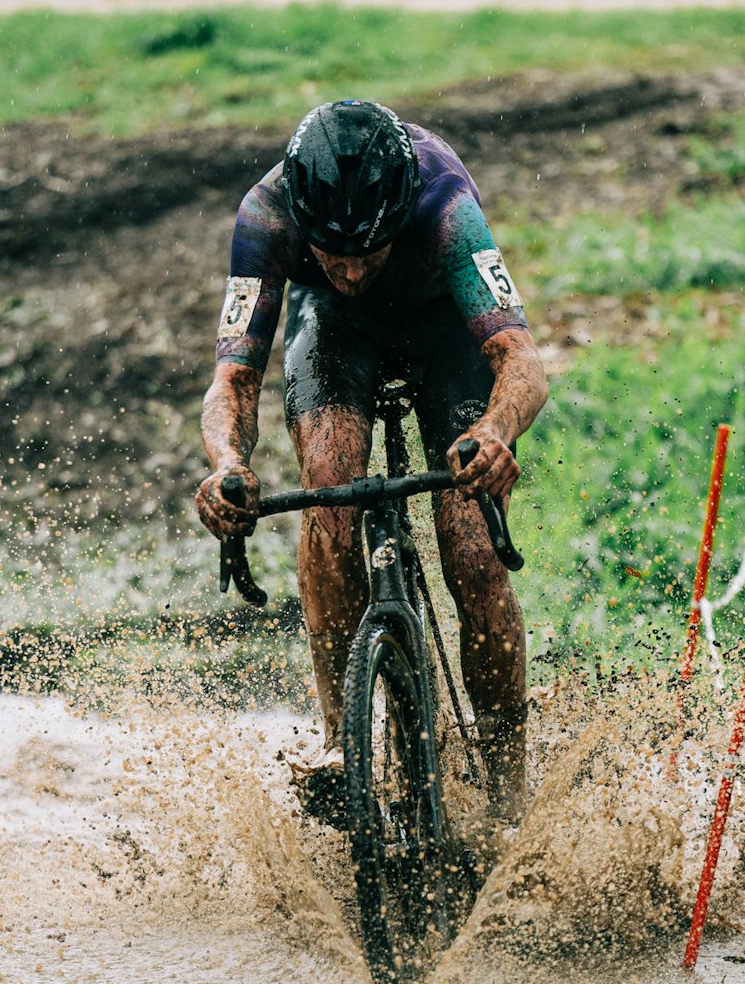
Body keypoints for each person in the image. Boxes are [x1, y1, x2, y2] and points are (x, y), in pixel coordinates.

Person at [194, 100, 547, 822]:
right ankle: (339, 742)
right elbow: (235, 378)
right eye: (333, 252)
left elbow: (520, 359)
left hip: (446, 333)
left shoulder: (444, 203)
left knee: (473, 551)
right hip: (334, 333)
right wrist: (227, 461)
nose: (352, 270)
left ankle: (509, 789)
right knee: (330, 491)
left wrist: (494, 431)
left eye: (371, 250)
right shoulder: (266, 214)